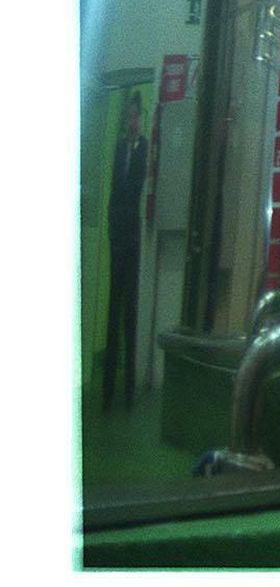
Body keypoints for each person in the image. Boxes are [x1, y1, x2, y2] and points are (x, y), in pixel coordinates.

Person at [104, 91, 149, 410]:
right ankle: (107, 390)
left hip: (133, 239)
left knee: (130, 313)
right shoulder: (119, 148)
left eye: (135, 116)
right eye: (128, 116)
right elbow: (113, 191)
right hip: (117, 237)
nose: (131, 121)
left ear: (140, 117)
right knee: (113, 312)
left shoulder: (145, 149)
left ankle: (130, 390)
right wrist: (111, 231)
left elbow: (138, 191)